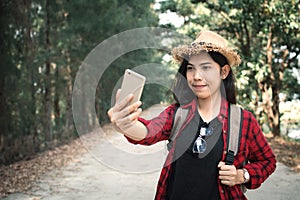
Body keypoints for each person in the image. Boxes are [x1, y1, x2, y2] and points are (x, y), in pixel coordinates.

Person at [108, 30, 276, 200]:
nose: (196, 76)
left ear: (223, 72)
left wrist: (242, 175)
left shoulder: (243, 120)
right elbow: (148, 132)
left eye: (206, 68)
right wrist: (126, 125)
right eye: (190, 69)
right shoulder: (177, 114)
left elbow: (268, 161)